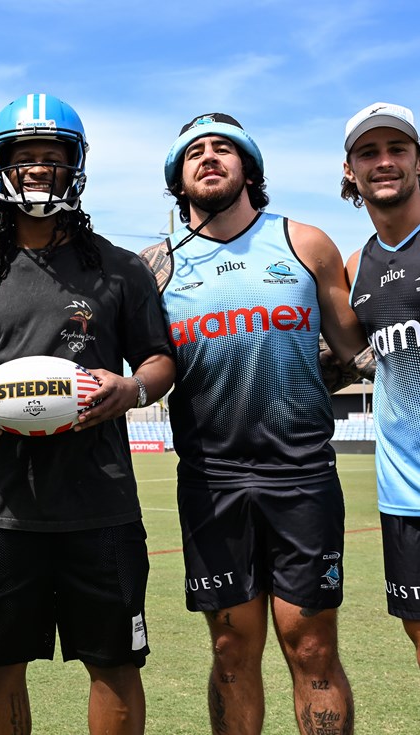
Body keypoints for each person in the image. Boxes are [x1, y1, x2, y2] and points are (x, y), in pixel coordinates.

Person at [0, 93, 174, 735]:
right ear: (1, 166)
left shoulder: (119, 268)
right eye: (24, 157)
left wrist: (132, 390)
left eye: (53, 158)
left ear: (77, 166)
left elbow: (158, 360)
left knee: (115, 664)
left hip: (101, 503)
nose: (38, 169)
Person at [139, 113, 375, 735]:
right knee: (230, 653)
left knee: (313, 648)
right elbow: (140, 364)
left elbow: (356, 353)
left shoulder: (304, 242)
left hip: (301, 477)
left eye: (225, 148)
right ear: (177, 175)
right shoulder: (155, 266)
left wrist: (304, 375)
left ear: (249, 167)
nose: (210, 158)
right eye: (195, 152)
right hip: (211, 479)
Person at [342, 102, 420, 667]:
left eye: (398, 149)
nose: (384, 161)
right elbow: (349, 355)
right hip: (403, 492)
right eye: (369, 152)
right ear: (351, 171)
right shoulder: (354, 266)